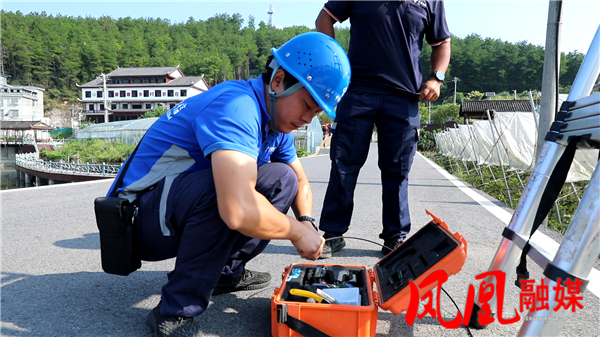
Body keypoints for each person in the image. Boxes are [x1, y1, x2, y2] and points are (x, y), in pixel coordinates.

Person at [106, 32, 351, 337]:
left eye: (316, 113)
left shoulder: (276, 124)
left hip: (171, 207)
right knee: (224, 191)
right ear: (278, 81)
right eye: (307, 105)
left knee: (281, 178)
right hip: (135, 218)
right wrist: (297, 233)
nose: (308, 119)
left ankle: (222, 273)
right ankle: (176, 308)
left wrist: (307, 221)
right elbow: (236, 210)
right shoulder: (237, 106)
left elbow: (298, 179)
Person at [315, 1, 451, 258]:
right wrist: (335, 62)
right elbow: (324, 18)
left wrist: (437, 77)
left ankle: (395, 237)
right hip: (357, 92)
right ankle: (333, 234)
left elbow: (442, 43)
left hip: (404, 97)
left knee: (397, 170)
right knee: (344, 165)